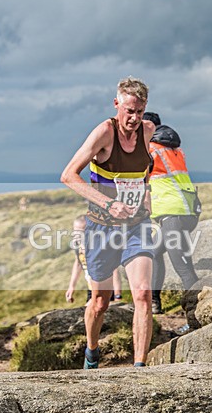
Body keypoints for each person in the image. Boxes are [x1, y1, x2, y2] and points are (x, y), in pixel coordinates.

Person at [60, 77, 155, 369]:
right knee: (100, 302)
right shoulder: (104, 132)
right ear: (116, 104)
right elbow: (68, 175)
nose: (134, 118)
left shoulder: (148, 131)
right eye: (129, 111)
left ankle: (139, 368)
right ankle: (92, 352)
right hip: (101, 227)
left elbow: (144, 173)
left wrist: (144, 196)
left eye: (139, 111)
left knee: (142, 293)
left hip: (136, 226)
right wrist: (109, 203)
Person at [142, 112, 200, 326]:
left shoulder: (149, 149)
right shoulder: (173, 148)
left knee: (184, 268)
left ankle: (195, 318)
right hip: (186, 209)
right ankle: (154, 302)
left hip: (172, 213)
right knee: (154, 252)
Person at [66, 214, 123, 304]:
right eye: (75, 231)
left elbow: (114, 270)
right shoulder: (78, 245)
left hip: (105, 289)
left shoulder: (99, 247)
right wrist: (71, 287)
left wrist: (117, 294)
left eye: (81, 232)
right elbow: (78, 263)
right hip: (91, 288)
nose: (77, 235)